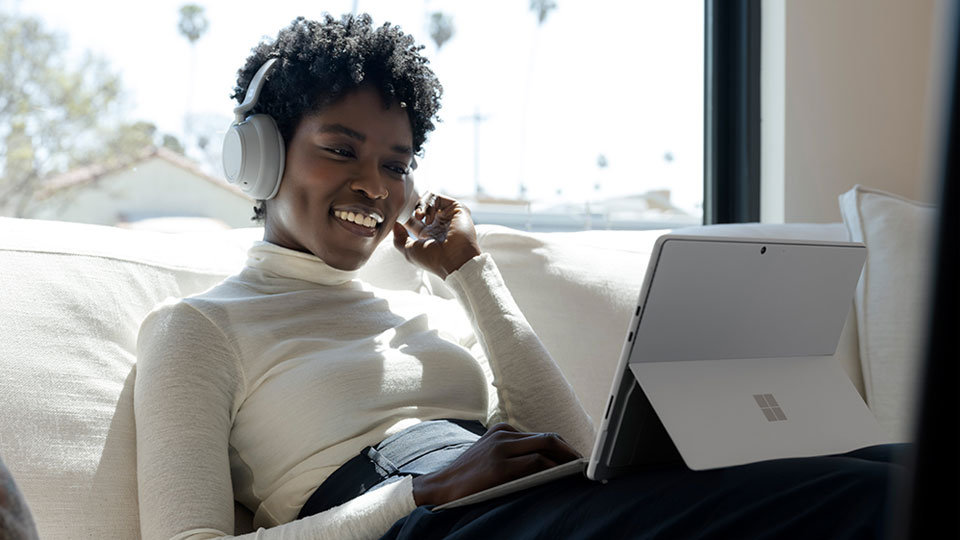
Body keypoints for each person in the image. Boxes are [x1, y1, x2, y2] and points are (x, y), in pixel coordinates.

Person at [134, 14, 905, 540]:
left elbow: (574, 452)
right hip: (427, 521)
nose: (374, 186)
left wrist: (469, 272)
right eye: (341, 150)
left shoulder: (424, 312)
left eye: (396, 165)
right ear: (260, 154)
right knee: (878, 499)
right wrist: (417, 492)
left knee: (895, 465)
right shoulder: (199, 328)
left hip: (529, 509)